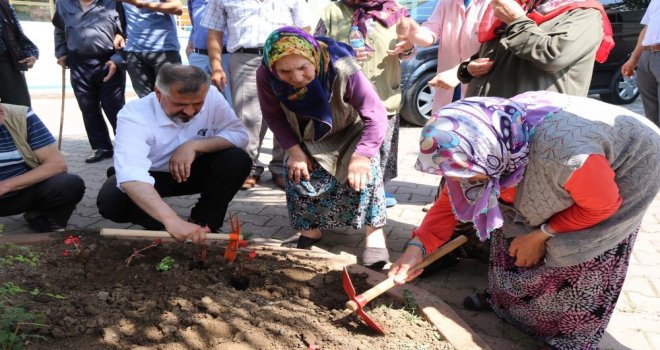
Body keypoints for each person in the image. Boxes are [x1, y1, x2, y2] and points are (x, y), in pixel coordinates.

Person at [389, 91, 660, 349]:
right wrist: (417, 249)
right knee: (513, 228)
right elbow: (450, 201)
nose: (461, 182)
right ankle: (507, 305)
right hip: (558, 166)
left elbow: (602, 207)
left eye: (467, 173)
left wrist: (542, 234)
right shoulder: (492, 146)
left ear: (489, 154)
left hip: (629, 164)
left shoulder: (569, 157)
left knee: (577, 252)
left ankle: (566, 338)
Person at [256, 27, 390, 268]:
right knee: (297, 170)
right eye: (285, 71)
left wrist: (362, 156)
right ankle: (310, 231)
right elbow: (273, 116)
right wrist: (294, 151)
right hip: (305, 134)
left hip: (350, 130)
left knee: (366, 173)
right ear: (272, 67)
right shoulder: (265, 75)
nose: (296, 78)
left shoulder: (342, 67)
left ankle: (374, 236)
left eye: (303, 67)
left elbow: (377, 115)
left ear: (313, 57)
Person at [96, 64, 251, 242]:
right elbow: (131, 174)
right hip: (151, 176)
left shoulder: (212, 96)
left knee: (237, 160)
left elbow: (238, 134)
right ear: (158, 93)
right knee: (111, 200)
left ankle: (205, 223)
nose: (190, 111)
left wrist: (195, 146)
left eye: (198, 103)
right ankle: (167, 229)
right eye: (180, 104)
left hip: (190, 171)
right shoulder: (134, 115)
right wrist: (172, 220)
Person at [202, 0, 312, 190]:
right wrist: (216, 66)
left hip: (286, 58)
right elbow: (214, 31)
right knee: (247, 117)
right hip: (245, 59)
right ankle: (247, 168)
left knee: (287, 112)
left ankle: (281, 167)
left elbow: (304, 29)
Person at [316, 0, 413, 208]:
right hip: (344, 98)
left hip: (384, 93)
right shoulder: (332, 12)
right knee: (343, 148)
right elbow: (316, 51)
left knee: (382, 147)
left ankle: (378, 190)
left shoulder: (394, 11)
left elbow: (409, 50)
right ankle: (343, 194)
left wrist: (407, 48)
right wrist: (339, 55)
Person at [457, 0, 613, 98]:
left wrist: (516, 20)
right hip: (493, 124)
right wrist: (467, 70)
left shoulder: (585, 13)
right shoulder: (526, 7)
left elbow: (553, 57)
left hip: (536, 127)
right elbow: (492, 54)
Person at [53, 0, 126, 164]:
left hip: (108, 62)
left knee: (114, 107)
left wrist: (117, 59)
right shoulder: (63, 3)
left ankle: (126, 146)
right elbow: (59, 29)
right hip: (77, 62)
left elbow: (126, 32)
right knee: (88, 108)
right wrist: (61, 52)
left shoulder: (114, 2)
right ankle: (102, 147)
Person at [0, 102, 85, 232]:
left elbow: (56, 164)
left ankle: (42, 218)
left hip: (20, 189)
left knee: (68, 184)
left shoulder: (20, 116)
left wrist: (5, 185)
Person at [394, 0, 490, 111]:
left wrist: (457, 72)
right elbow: (430, 33)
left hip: (479, 95)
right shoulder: (446, 2)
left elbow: (494, 51)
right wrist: (414, 31)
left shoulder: (494, 3)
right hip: (447, 92)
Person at [118, 0, 183, 97]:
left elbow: (177, 8)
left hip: (164, 50)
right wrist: (119, 34)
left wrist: (143, 4)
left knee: (170, 96)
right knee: (145, 100)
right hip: (134, 52)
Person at [185, 0, 232, 107]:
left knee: (230, 102)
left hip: (225, 56)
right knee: (197, 102)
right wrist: (190, 44)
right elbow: (194, 24)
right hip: (199, 56)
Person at [622, 0, 659, 125]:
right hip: (647, 54)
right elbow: (646, 29)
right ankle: (654, 143)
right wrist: (634, 59)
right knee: (651, 115)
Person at [0, 0, 38, 107]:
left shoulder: (4, 5)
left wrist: (30, 52)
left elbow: (17, 32)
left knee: (19, 110)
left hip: (7, 63)